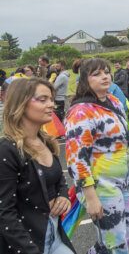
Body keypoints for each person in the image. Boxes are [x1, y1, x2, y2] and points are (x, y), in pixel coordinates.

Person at [65, 58, 129, 254]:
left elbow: (123, 131)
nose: (105, 76)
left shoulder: (114, 101)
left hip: (126, 180)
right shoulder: (80, 112)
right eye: (97, 74)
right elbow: (76, 159)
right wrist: (91, 197)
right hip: (101, 186)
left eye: (106, 72)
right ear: (84, 80)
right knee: (116, 243)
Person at [0, 77, 76, 253]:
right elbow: (4, 212)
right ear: (21, 104)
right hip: (27, 242)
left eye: (51, 99)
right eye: (43, 100)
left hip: (55, 233)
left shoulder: (46, 141)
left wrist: (63, 195)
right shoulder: (7, 150)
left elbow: (59, 179)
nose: (51, 104)